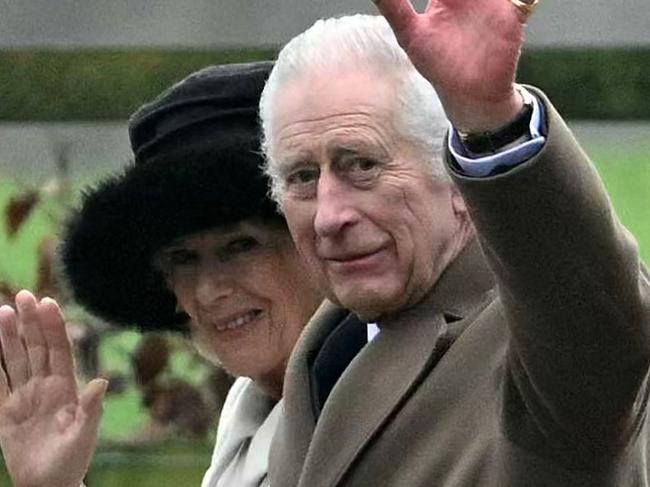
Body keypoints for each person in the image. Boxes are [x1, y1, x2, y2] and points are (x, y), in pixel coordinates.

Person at [258, 1, 650, 486]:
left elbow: (594, 321)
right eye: (301, 176)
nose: (329, 215)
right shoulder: (326, 347)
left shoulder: (539, 345)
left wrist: (491, 123)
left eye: (362, 166)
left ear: (456, 184)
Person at [0, 61, 330, 487]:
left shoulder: (369, 404)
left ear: (317, 240)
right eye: (182, 259)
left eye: (240, 246)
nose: (208, 291)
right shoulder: (250, 409)